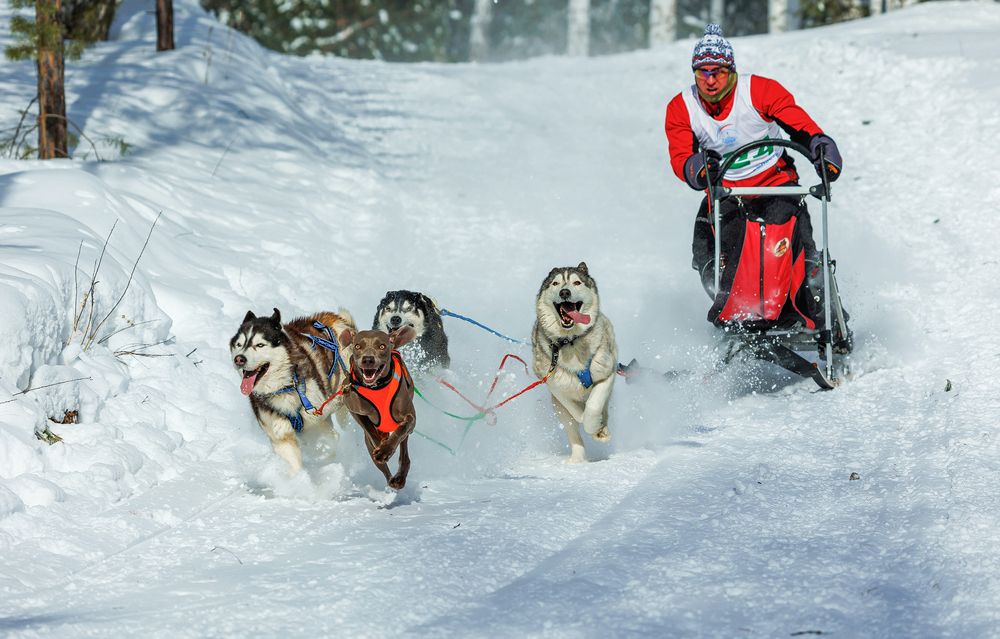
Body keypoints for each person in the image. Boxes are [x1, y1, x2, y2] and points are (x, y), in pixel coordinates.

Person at [664, 24, 850, 350]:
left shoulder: (759, 91)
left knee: (784, 242)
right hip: (726, 194)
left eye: (717, 71)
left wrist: (821, 146)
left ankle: (813, 315)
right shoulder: (682, 107)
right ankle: (745, 315)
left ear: (731, 71)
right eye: (702, 72)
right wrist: (696, 168)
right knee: (719, 255)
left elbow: (799, 124)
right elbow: (681, 156)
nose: (709, 80)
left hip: (776, 185)